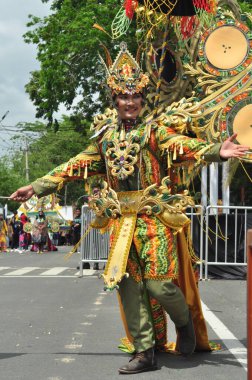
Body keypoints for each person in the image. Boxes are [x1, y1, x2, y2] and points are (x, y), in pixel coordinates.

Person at [10, 43, 249, 374]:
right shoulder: (105, 140)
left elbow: (181, 145)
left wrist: (213, 150)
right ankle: (144, 351)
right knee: (127, 284)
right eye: (124, 97)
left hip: (154, 219)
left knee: (159, 284)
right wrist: (34, 187)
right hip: (121, 222)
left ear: (142, 99)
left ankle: (184, 325)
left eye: (136, 96)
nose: (130, 102)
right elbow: (73, 165)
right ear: (115, 100)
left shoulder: (153, 131)